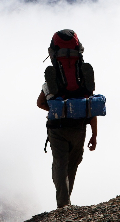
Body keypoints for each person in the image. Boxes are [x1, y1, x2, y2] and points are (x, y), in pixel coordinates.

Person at [36, 28, 98, 208]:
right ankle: (66, 202)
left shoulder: (53, 76)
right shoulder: (84, 76)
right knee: (72, 164)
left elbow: (40, 103)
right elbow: (91, 106)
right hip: (79, 127)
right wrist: (94, 135)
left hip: (57, 128)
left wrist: (58, 109)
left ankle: (63, 205)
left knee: (60, 165)